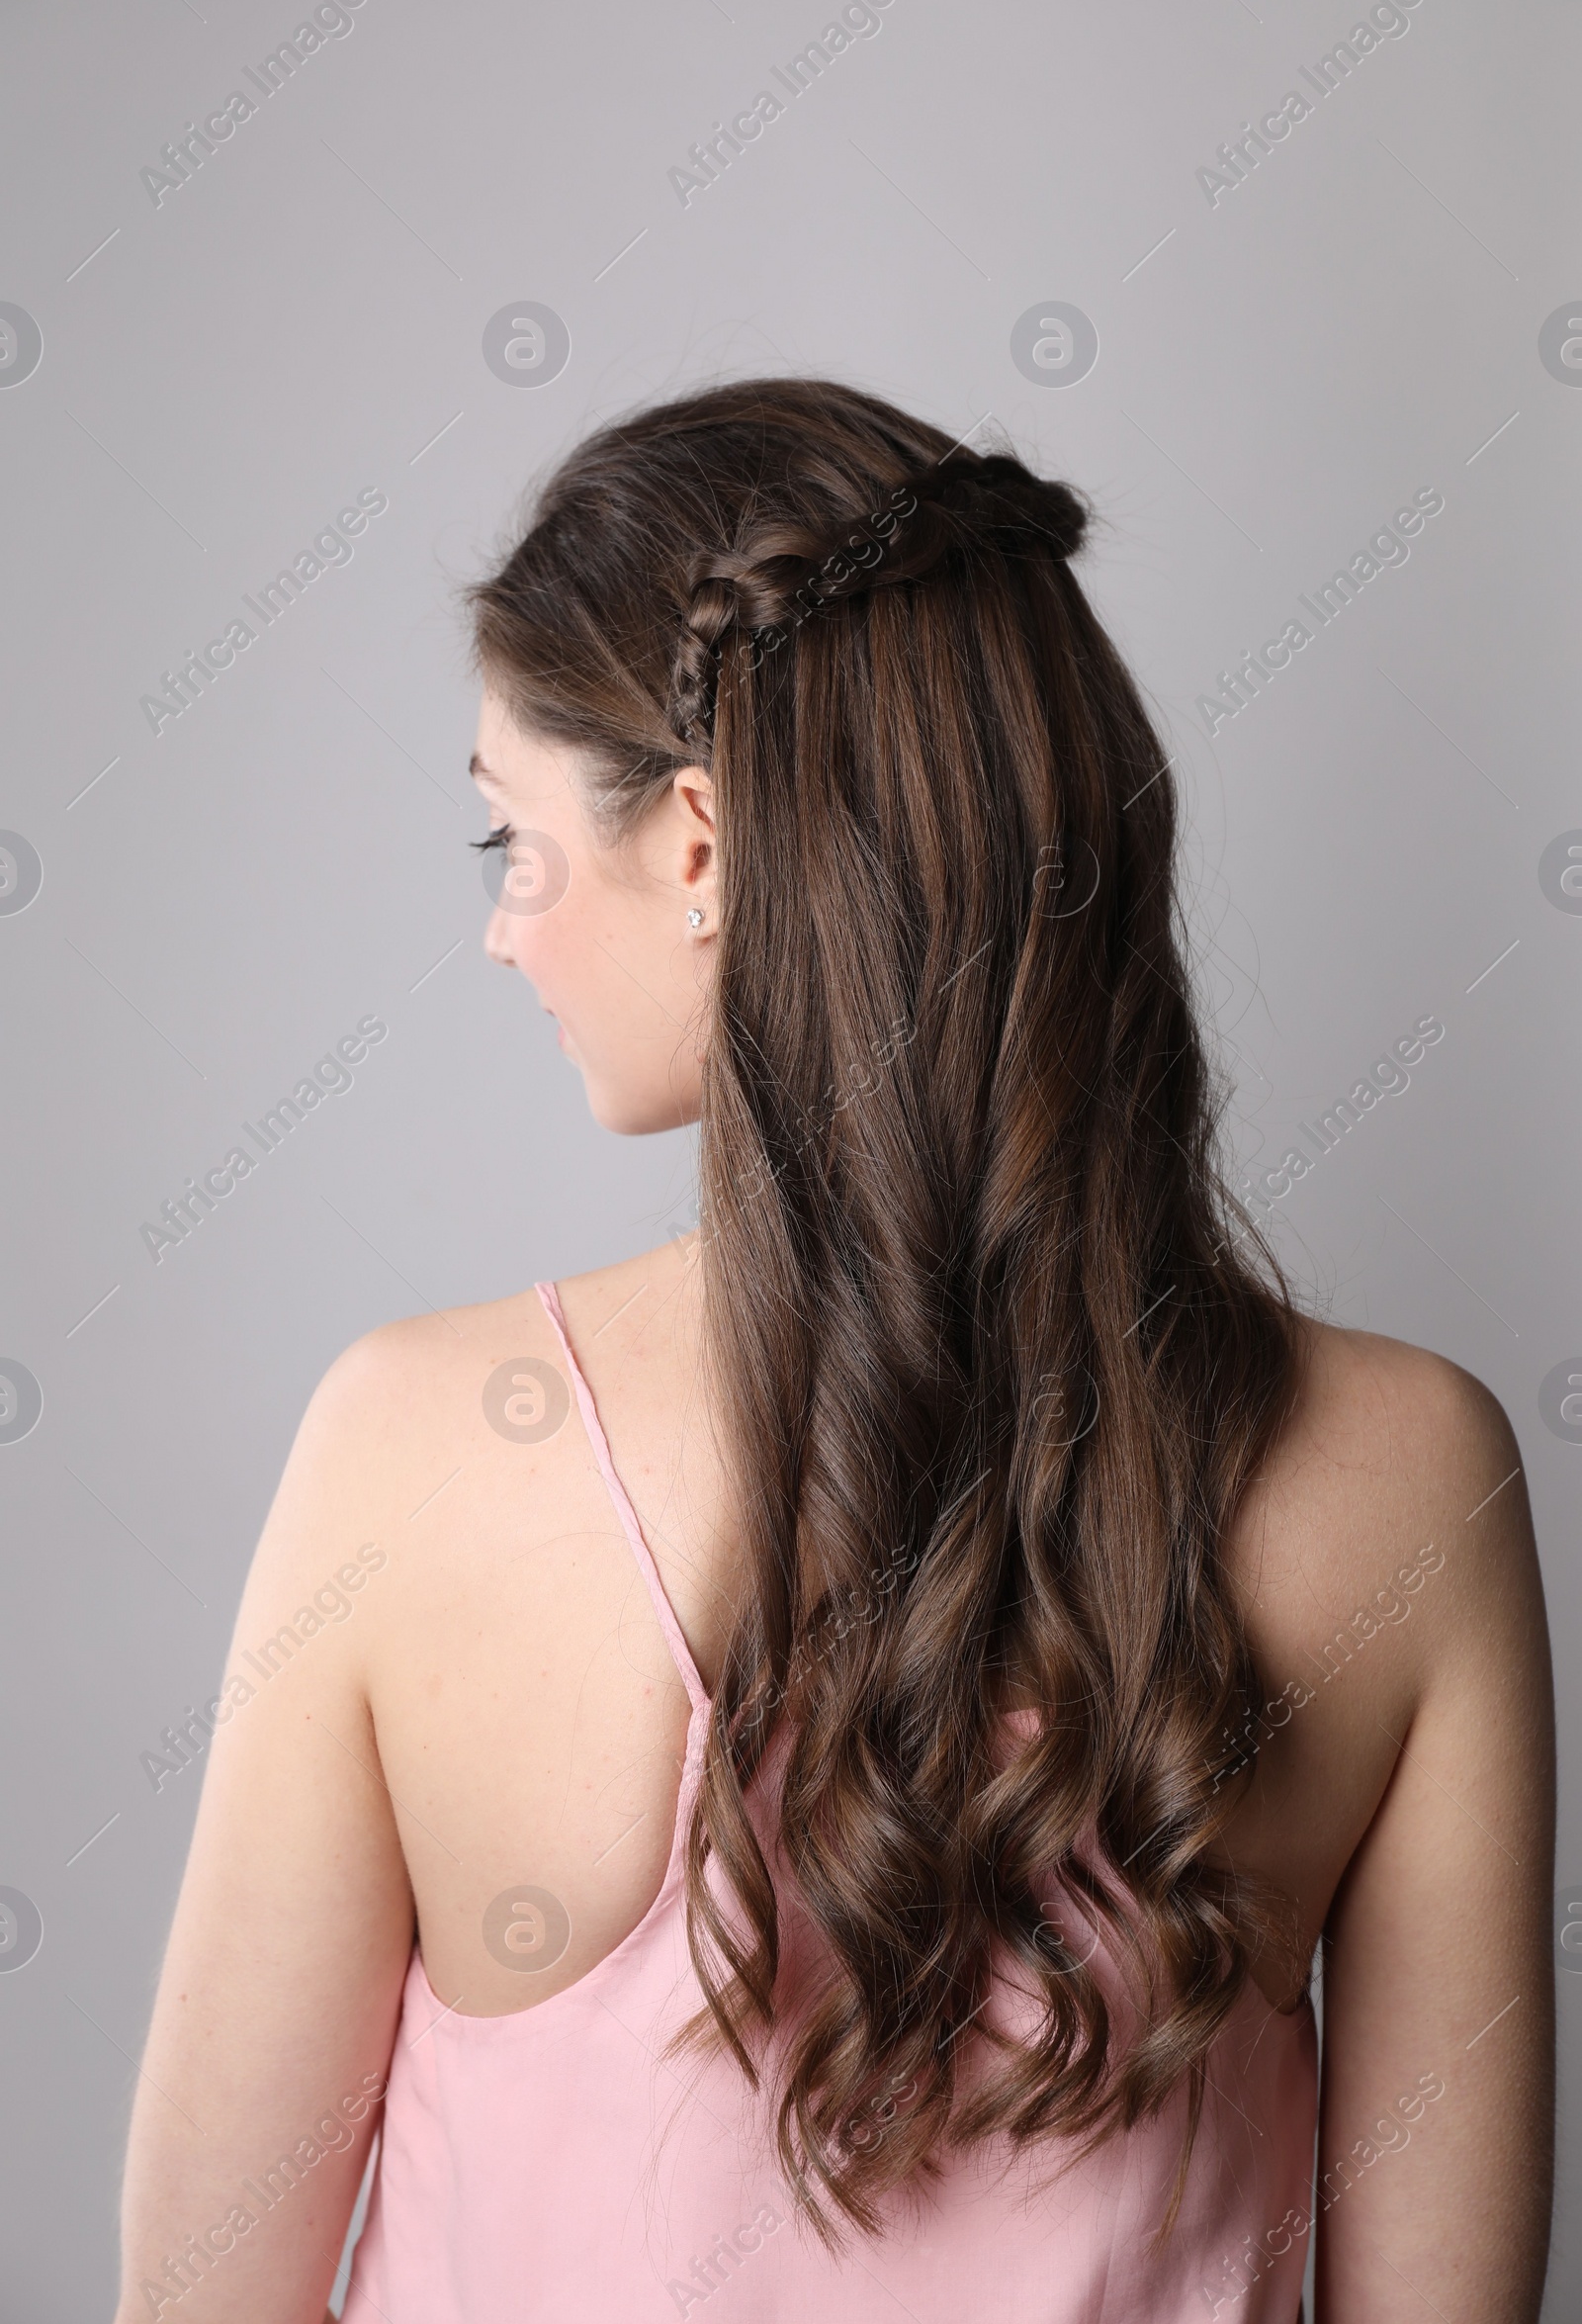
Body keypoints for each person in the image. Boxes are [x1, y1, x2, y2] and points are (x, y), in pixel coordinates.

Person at [114, 377, 1554, 2323]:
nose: (501, 935)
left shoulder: (413, 1453)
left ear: (697, 841)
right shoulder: (1405, 1477)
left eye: (506, 843)